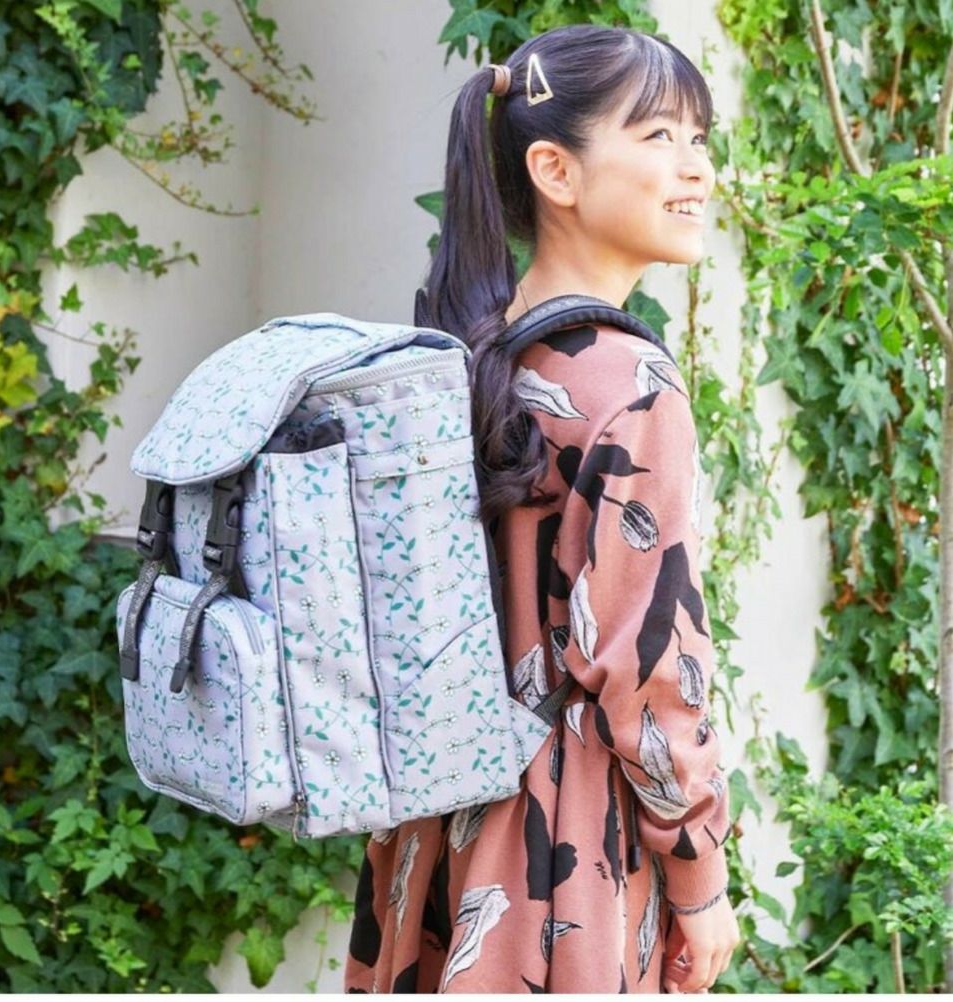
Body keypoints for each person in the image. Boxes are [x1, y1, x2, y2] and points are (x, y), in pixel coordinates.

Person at [343, 23, 741, 994]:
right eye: (658, 137)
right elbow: (647, 671)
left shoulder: (467, 352)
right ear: (555, 171)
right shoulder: (632, 385)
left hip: (434, 824)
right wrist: (700, 878)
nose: (696, 167)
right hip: (561, 854)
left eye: (699, 138)